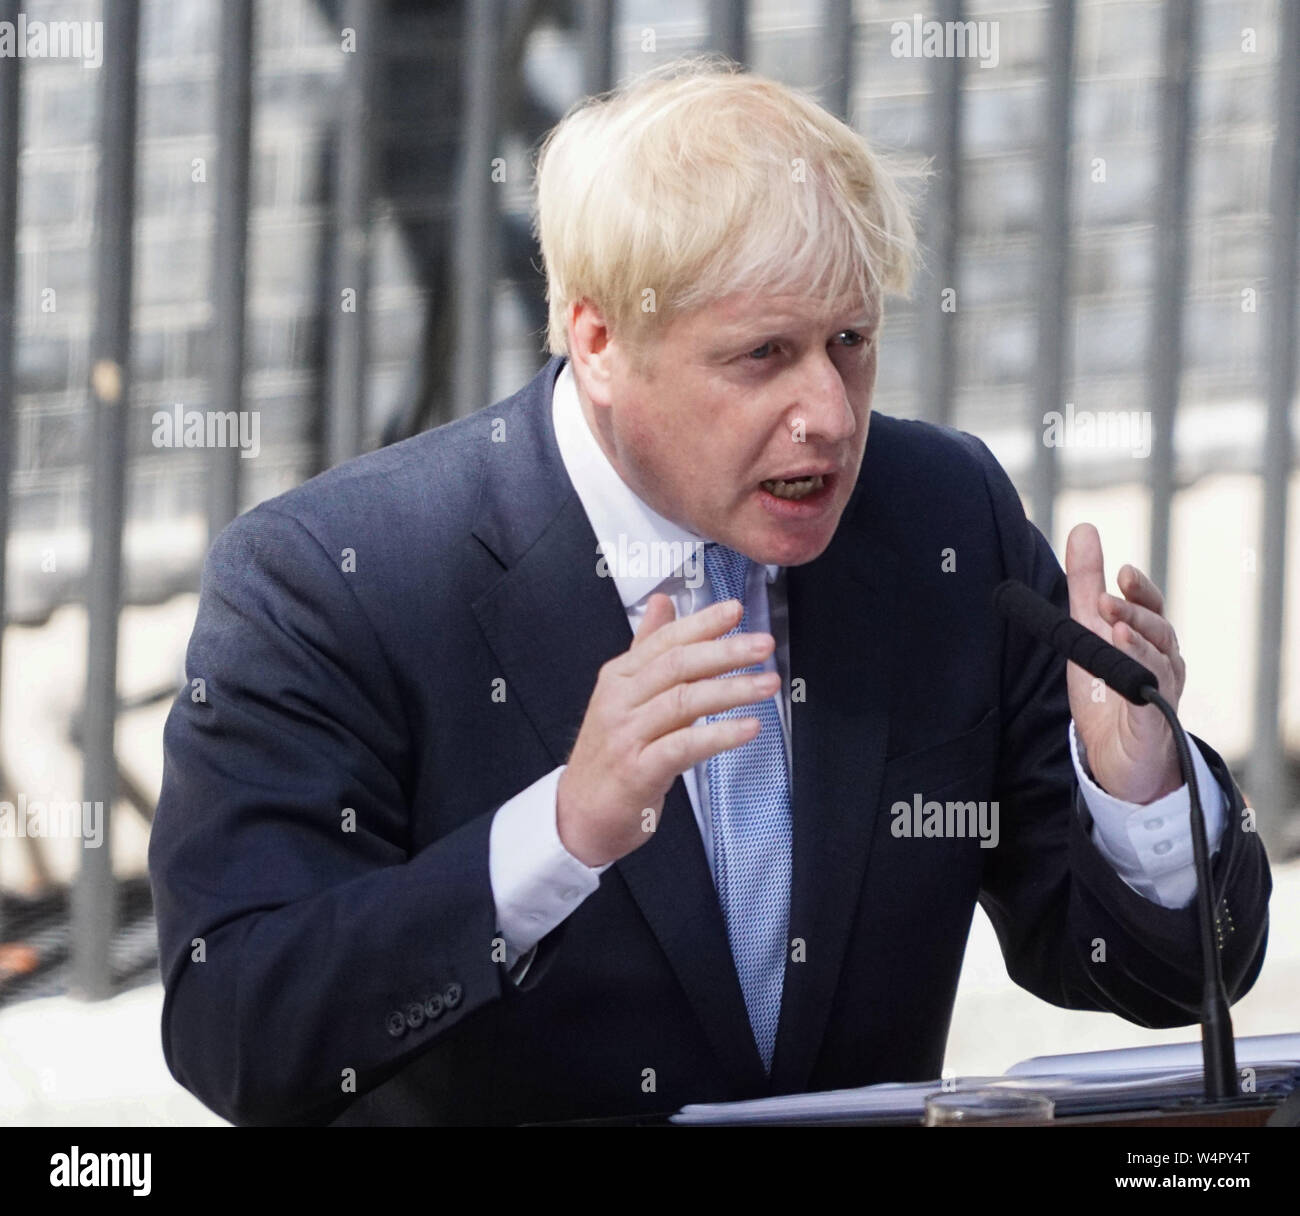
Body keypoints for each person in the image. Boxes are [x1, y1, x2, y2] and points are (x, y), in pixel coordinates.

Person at [150, 58, 1270, 1127]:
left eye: (849, 341)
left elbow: (1163, 979)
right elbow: (237, 1030)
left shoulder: (940, 517)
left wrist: (1139, 796)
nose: (829, 413)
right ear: (596, 339)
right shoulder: (337, 576)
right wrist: (558, 834)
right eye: (761, 355)